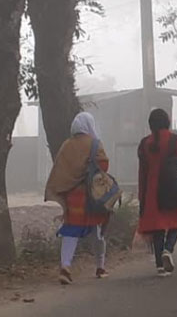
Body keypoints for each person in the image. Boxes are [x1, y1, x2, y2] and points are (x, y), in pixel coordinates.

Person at [45, 112, 110, 285]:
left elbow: (59, 169)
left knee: (70, 232)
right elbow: (104, 164)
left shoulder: (67, 145)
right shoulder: (95, 143)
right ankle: (100, 267)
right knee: (98, 232)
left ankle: (65, 267)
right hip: (93, 197)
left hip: (73, 197)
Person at [137, 109, 177, 277]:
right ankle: (168, 249)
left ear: (150, 125)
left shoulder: (144, 144)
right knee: (176, 220)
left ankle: (159, 266)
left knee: (157, 227)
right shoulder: (175, 140)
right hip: (172, 187)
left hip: (152, 190)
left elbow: (142, 173)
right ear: (167, 122)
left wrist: (142, 196)